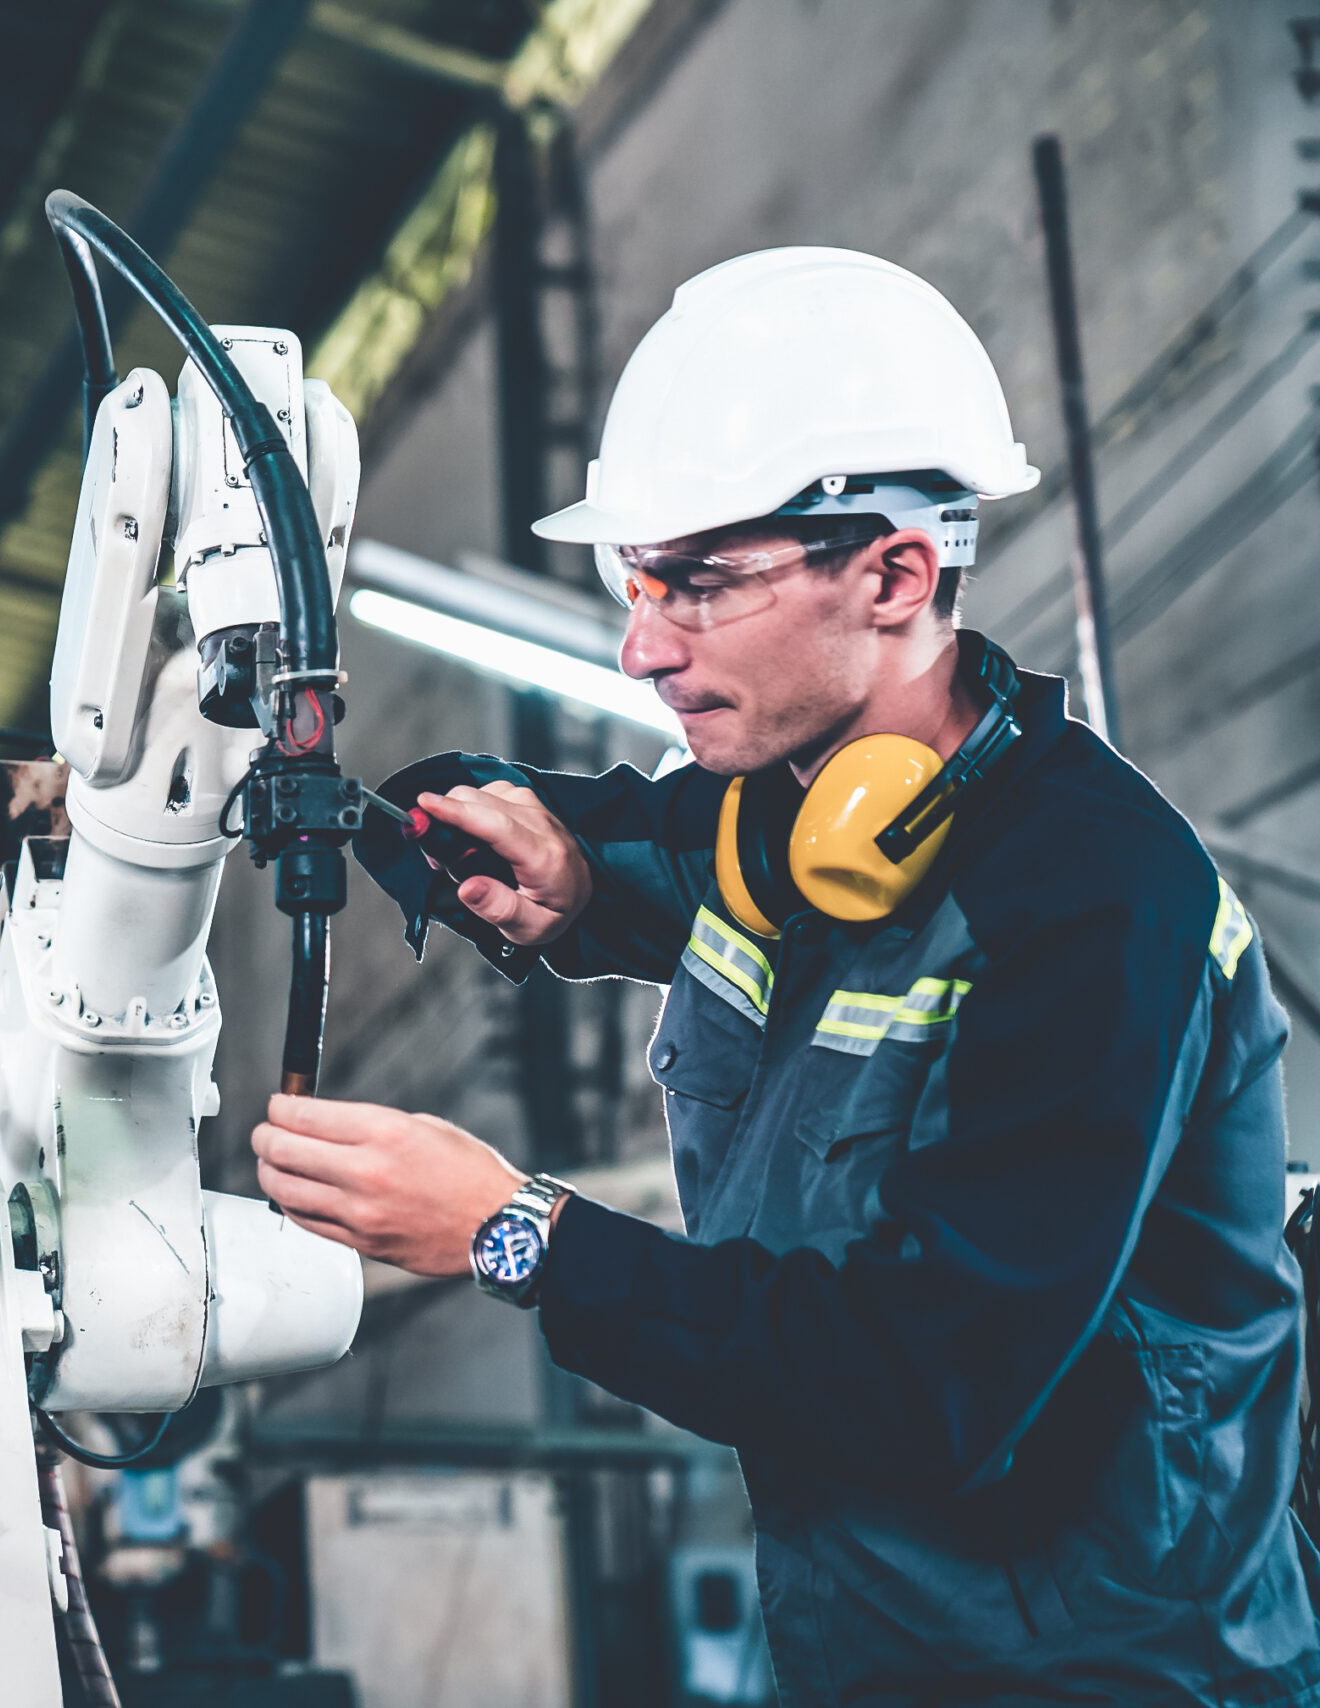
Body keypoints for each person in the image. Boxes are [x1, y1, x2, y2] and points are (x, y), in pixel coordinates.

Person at [254, 248, 1318, 1703]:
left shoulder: (1093, 902)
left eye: (698, 585)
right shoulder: (776, 813)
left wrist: (513, 1233)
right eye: (635, 582)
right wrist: (534, 869)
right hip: (856, 1648)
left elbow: (928, 1386)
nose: (641, 646)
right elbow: (611, 837)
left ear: (894, 573)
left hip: (1121, 1671)